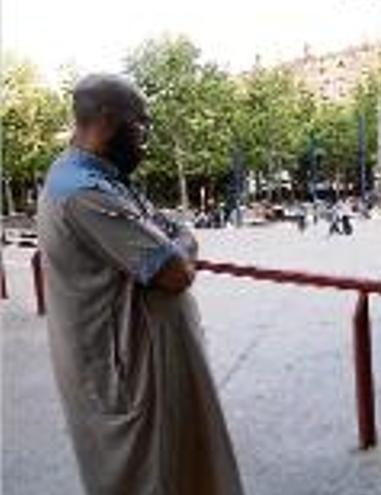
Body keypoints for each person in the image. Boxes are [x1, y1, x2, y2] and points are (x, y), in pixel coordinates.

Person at [36, 74, 244, 495]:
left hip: (142, 368)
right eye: (141, 126)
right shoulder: (83, 193)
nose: (145, 139)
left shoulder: (98, 178)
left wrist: (175, 238)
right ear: (111, 121)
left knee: (183, 471)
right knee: (154, 478)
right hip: (131, 379)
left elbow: (167, 232)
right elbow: (175, 272)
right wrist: (181, 242)